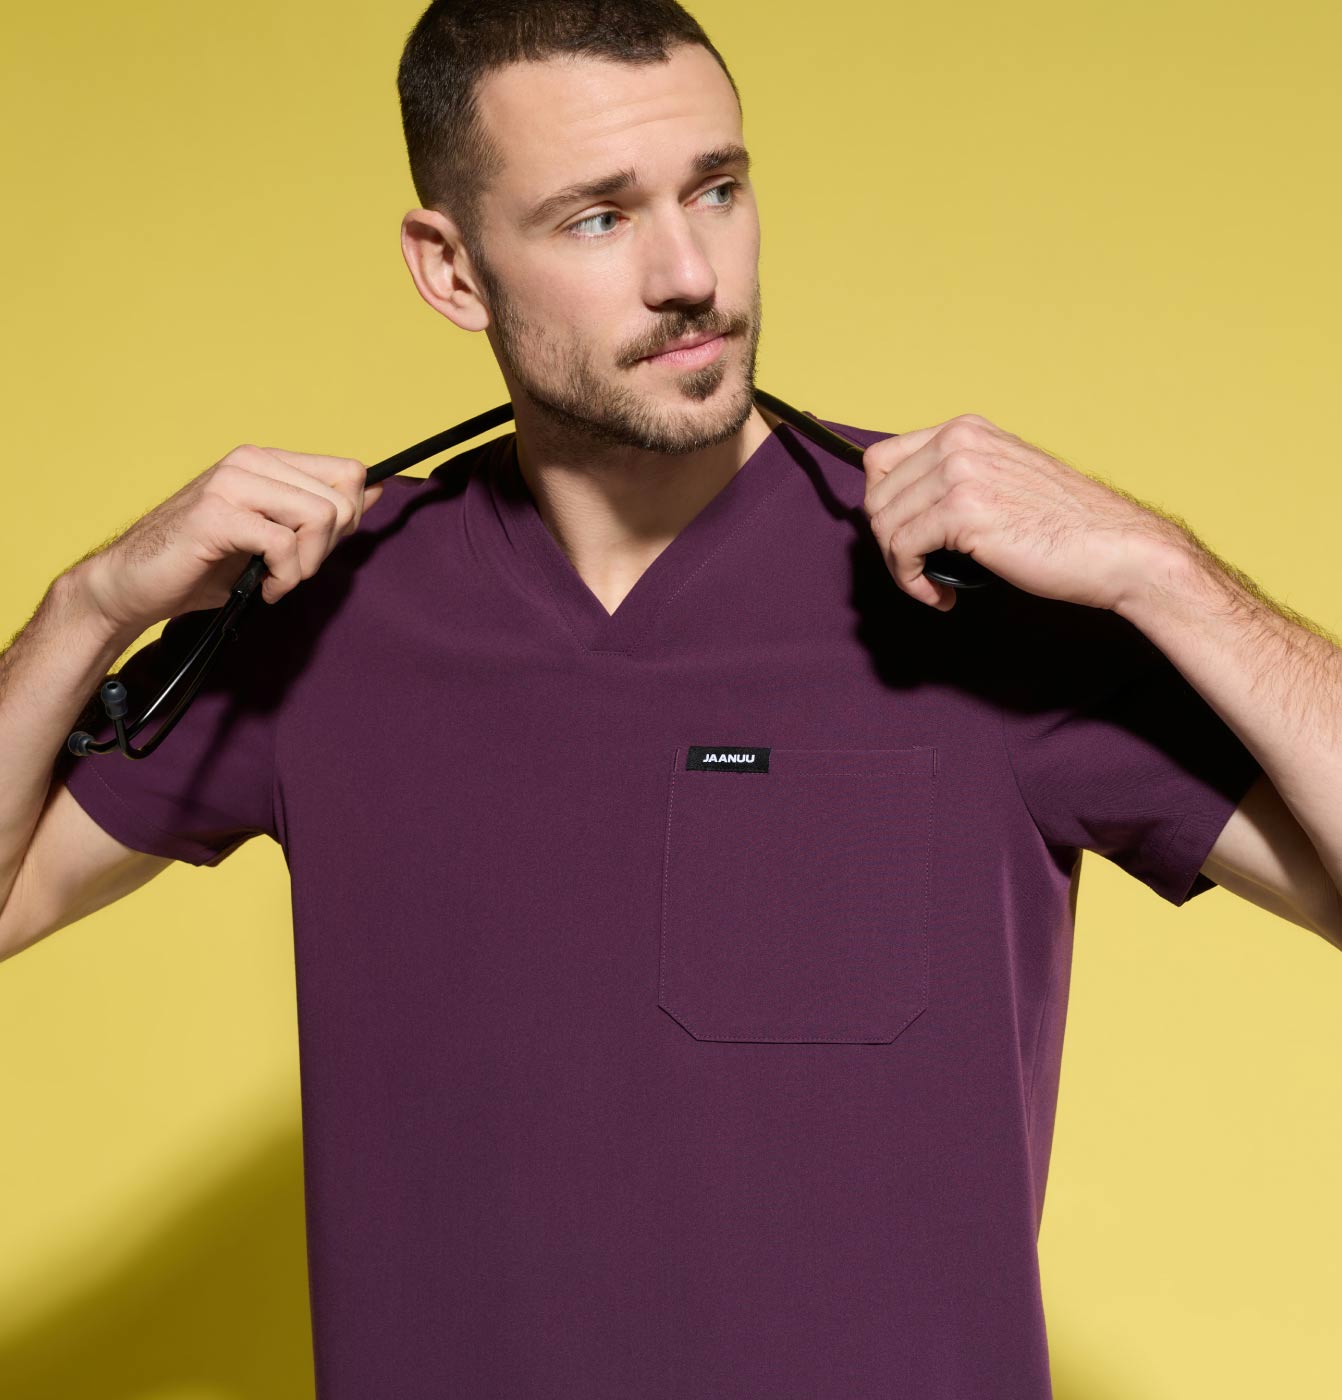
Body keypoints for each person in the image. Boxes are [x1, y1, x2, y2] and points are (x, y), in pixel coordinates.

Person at [1, 1, 1338, 1395]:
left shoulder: (969, 579)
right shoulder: (324, 602)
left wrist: (1168, 576)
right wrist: (89, 605)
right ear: (450, 269)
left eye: (718, 188)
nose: (689, 272)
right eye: (596, 219)